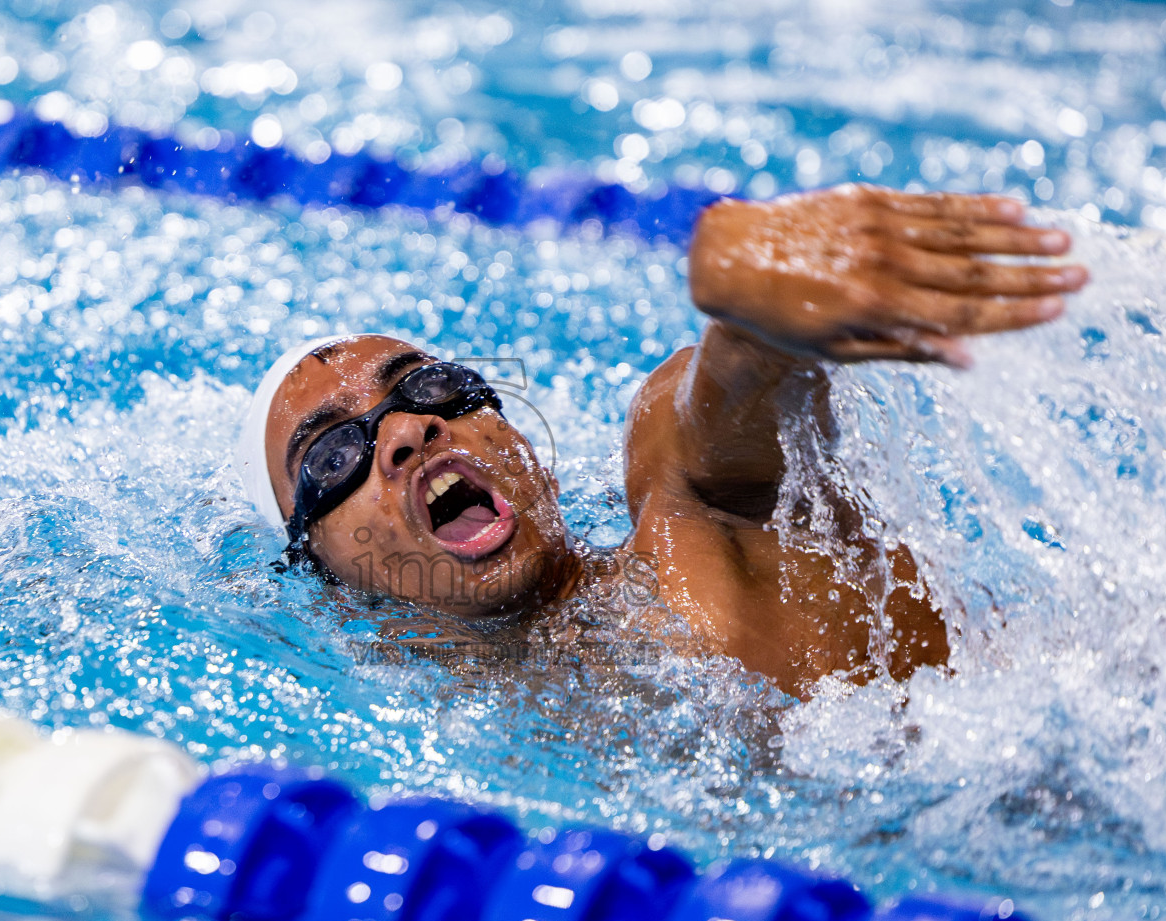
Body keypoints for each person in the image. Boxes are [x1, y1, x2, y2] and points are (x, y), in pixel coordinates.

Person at [235, 185, 1088, 697]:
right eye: (333, 457)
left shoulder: (688, 521)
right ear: (322, 576)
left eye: (432, 387)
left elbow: (731, 403)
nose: (408, 432)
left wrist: (750, 294)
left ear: (519, 442)